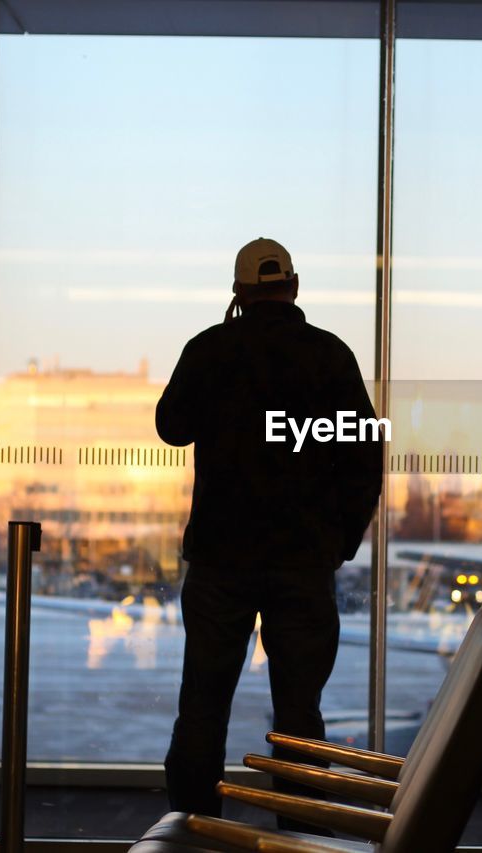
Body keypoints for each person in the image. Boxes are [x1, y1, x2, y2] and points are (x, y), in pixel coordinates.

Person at [156, 237, 383, 824]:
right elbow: (363, 455)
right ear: (295, 286)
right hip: (302, 562)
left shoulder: (209, 349)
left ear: (239, 294)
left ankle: (191, 827)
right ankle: (301, 831)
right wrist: (340, 542)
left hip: (220, 561)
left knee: (204, 705)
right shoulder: (329, 356)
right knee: (300, 714)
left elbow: (171, 427)